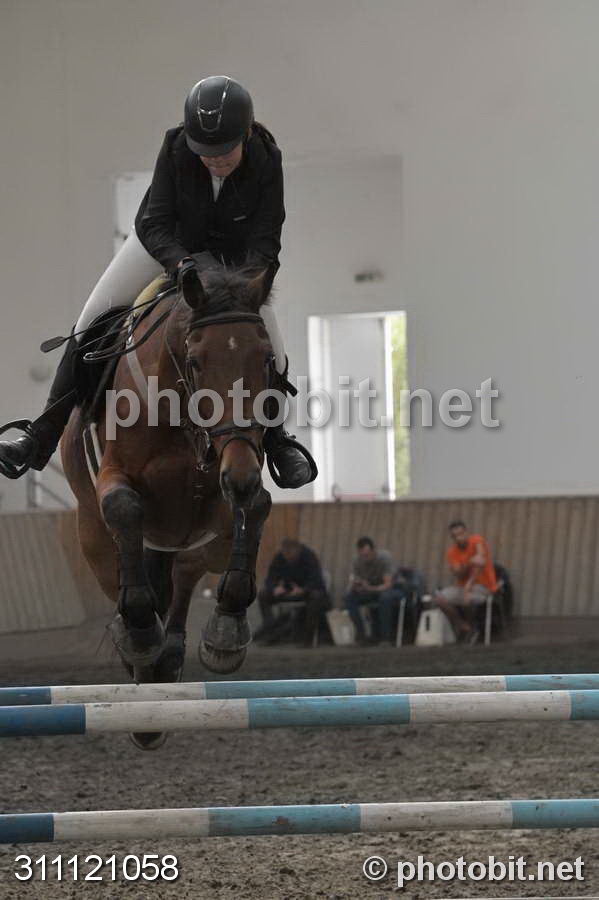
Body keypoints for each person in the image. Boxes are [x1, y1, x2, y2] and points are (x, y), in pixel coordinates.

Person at [0, 75, 315, 489]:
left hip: (231, 262)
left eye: (224, 151)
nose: (215, 160)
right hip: (162, 246)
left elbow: (266, 239)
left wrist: (246, 284)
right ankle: (39, 437)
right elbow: (156, 224)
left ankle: (277, 441)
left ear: (247, 134)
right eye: (207, 153)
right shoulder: (177, 147)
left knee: (272, 344)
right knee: (91, 319)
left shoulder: (267, 160)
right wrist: (182, 264)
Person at [434, 520, 497, 642]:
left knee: (467, 599)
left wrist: (468, 585)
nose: (459, 538)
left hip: (483, 586)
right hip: (462, 587)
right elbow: (459, 573)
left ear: (466, 532)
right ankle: (463, 626)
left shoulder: (477, 540)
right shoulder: (452, 552)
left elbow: (480, 561)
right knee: (439, 599)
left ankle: (474, 626)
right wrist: (468, 564)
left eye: (461, 534)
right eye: (455, 536)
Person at [257, 538, 329, 644]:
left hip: (305, 592)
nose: (288, 558)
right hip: (287, 591)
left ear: (298, 550)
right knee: (263, 595)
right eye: (286, 556)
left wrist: (303, 589)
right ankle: (270, 630)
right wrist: (274, 588)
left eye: (291, 556)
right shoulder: (280, 557)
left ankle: (308, 638)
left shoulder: (309, 556)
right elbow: (270, 578)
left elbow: (317, 581)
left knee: (316, 597)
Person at [343, 536, 395, 645]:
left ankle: (385, 638)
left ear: (373, 550)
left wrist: (370, 588)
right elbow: (355, 579)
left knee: (385, 598)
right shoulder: (357, 561)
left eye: (367, 555)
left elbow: (388, 584)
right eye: (362, 555)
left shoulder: (384, 558)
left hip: (385, 589)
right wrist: (357, 586)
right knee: (349, 598)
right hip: (369, 589)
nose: (365, 558)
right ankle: (361, 635)